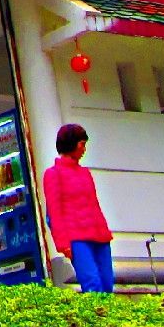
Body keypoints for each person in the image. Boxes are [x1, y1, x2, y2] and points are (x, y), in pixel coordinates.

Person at [42, 123, 114, 293]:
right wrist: (63, 244)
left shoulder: (85, 173)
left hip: (99, 234)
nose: (84, 149)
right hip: (77, 238)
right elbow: (54, 212)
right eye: (82, 144)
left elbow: (94, 204)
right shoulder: (53, 174)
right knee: (92, 283)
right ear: (71, 144)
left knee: (107, 282)